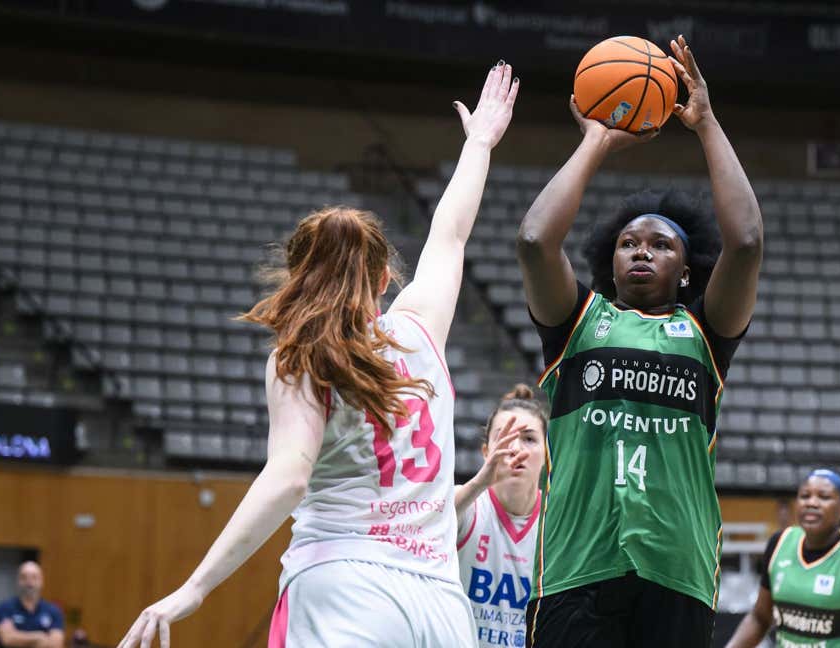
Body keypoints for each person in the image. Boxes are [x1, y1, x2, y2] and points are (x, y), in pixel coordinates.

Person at [117, 60, 519, 648]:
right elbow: (450, 232)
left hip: (343, 583)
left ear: (298, 274)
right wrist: (479, 144)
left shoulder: (303, 354)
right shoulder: (420, 327)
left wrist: (196, 586)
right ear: (385, 279)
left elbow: (287, 477)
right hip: (439, 600)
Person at [517, 35, 762, 648]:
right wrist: (596, 140)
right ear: (611, 259)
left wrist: (706, 125)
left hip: (676, 567)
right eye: (629, 242)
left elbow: (748, 242)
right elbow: (534, 241)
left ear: (687, 269)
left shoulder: (706, 333)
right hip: (577, 563)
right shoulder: (576, 322)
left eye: (660, 244)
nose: (642, 251)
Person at [724, 469, 840, 648]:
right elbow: (760, 617)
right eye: (805, 496)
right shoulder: (780, 543)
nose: (811, 502)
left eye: (823, 497)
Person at [455, 385, 547, 648]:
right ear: (487, 452)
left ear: (547, 453)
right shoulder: (468, 504)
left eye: (529, 438)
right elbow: (427, 520)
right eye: (505, 439)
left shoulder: (556, 520)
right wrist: (479, 482)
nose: (516, 449)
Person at [0, 561, 64, 648]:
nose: (29, 582)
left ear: (42, 581)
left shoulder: (53, 611)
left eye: (34, 577)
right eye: (24, 577)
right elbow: (7, 639)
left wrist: (19, 637)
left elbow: (56, 644)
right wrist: (38, 637)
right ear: (18, 581)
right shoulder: (5, 608)